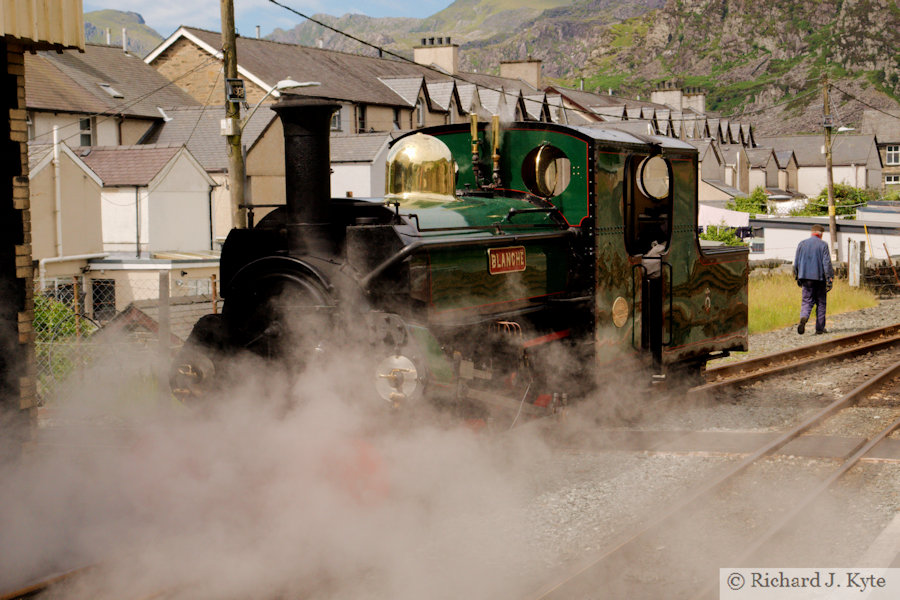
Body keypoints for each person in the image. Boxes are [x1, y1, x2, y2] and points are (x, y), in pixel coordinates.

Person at [793, 224, 834, 335]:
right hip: (819, 279)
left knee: (807, 301)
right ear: (821, 234)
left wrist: (797, 276)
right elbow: (826, 264)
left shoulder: (802, 244)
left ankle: (804, 317)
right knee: (821, 302)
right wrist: (830, 279)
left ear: (812, 233)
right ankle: (819, 329)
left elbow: (796, 263)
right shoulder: (823, 245)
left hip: (805, 277)